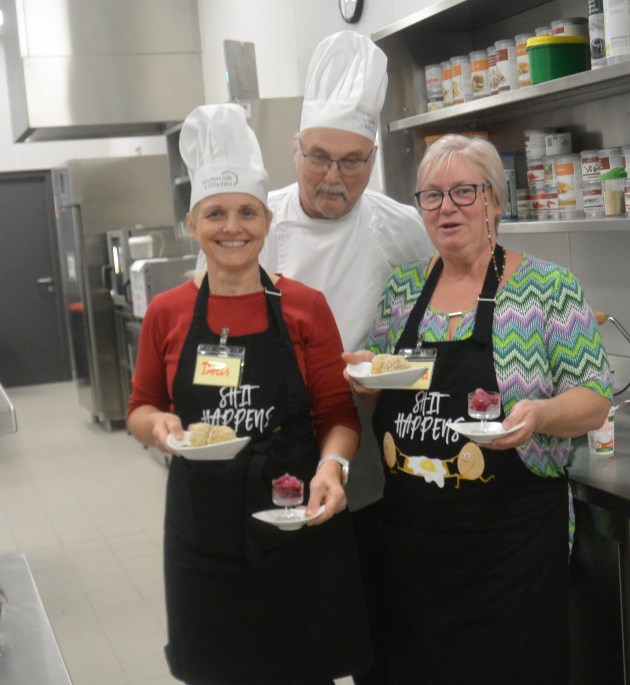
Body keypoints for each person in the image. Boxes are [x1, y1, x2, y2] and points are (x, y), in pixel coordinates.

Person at [345, 133, 613, 685]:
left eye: (464, 192)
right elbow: (382, 381)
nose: (447, 208)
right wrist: (366, 373)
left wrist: (539, 415)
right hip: (413, 550)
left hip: (510, 549)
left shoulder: (547, 288)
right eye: (432, 196)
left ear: (494, 200)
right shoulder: (403, 290)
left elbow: (593, 399)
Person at [127, 103, 371, 685]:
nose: (231, 227)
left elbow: (338, 415)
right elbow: (139, 408)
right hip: (202, 532)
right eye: (215, 213)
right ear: (193, 224)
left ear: (267, 221)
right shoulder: (168, 312)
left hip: (295, 523)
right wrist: (159, 427)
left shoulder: (305, 307)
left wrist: (332, 468)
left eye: (246, 212)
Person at [258, 32, 433, 684]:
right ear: (296, 150)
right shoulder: (251, 226)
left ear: (373, 158)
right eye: (320, 158)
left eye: (353, 161)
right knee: (287, 652)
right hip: (271, 466)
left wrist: (392, 370)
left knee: (369, 642)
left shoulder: (401, 229)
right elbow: (208, 353)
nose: (334, 177)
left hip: (366, 473)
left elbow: (436, 332)